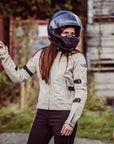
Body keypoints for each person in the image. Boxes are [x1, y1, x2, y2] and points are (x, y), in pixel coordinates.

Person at [0, 10, 87, 144]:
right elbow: (18, 77)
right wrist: (4, 55)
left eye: (73, 34)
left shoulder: (77, 58)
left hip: (64, 115)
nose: (70, 36)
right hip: (42, 115)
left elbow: (81, 91)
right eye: (66, 33)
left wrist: (71, 121)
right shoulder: (41, 55)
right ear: (56, 32)